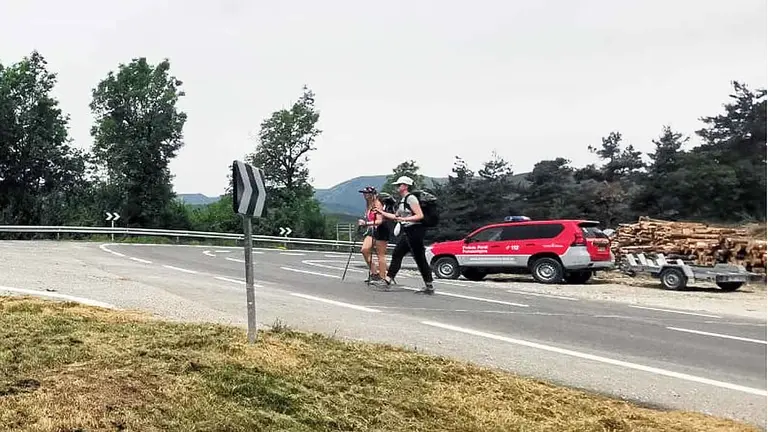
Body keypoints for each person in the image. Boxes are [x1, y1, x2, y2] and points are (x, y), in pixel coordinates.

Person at [373, 176, 435, 294]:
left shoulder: (411, 199)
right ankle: (387, 280)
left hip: (416, 231)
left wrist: (405, 219)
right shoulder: (403, 200)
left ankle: (429, 286)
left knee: (419, 258)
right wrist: (381, 212)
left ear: (406, 186)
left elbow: (419, 215)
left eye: (399, 185)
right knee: (397, 253)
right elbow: (396, 217)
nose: (397, 187)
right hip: (409, 231)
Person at [357, 186, 390, 282]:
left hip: (382, 230)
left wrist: (366, 223)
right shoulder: (368, 204)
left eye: (367, 193)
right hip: (372, 230)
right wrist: (365, 222)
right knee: (364, 250)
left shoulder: (377, 204)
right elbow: (371, 218)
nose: (364, 195)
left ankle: (383, 277)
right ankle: (374, 272)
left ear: (372, 194)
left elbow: (379, 221)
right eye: (364, 193)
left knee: (380, 254)